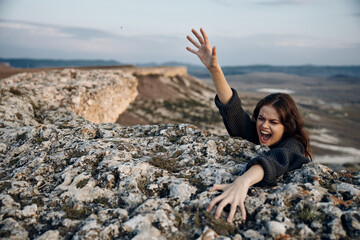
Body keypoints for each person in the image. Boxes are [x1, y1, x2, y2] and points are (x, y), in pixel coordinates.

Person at [186, 28, 312, 223]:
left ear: (287, 126)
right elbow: (233, 110)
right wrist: (214, 69)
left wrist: (243, 181)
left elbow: (277, 158)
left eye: (273, 122)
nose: (264, 126)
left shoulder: (293, 144)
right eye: (261, 118)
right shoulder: (256, 133)